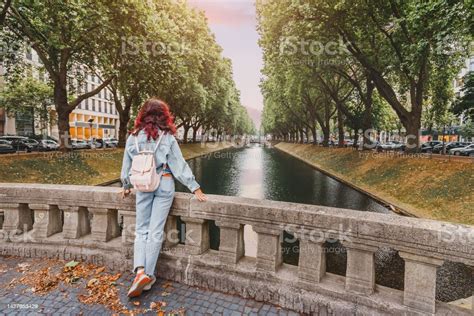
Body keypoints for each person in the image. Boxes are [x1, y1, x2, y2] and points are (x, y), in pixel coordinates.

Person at [120, 98, 207, 298]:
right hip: (164, 184)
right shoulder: (167, 137)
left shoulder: (132, 137)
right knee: (156, 230)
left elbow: (127, 167)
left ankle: (140, 271)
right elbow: (179, 165)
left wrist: (126, 186)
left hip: (142, 185)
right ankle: (148, 275)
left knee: (141, 229)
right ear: (163, 116)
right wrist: (195, 187)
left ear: (143, 115)